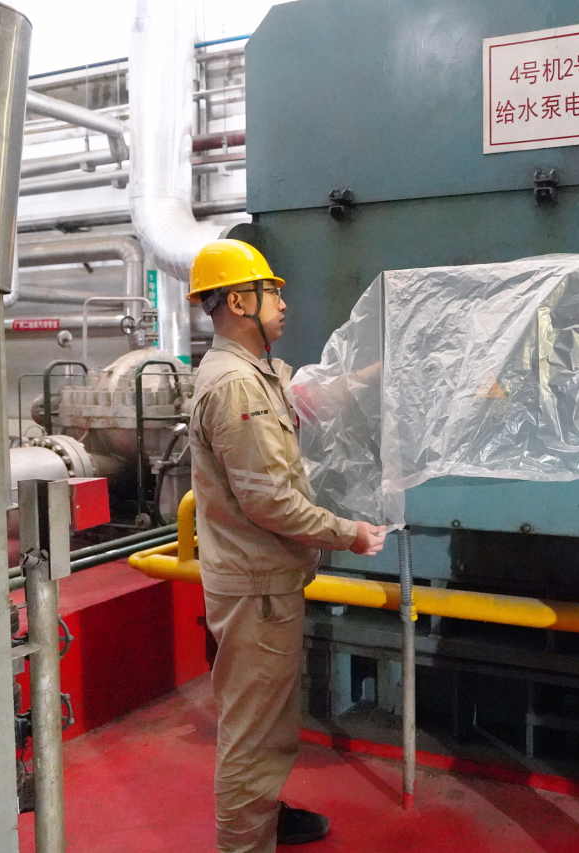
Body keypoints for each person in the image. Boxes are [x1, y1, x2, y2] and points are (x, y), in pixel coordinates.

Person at [186, 239, 386, 852]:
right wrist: (349, 534)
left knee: (268, 723)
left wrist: (379, 373)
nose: (283, 302)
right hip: (256, 589)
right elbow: (269, 502)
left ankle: (263, 816)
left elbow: (306, 400)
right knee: (254, 734)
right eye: (272, 291)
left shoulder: (257, 373)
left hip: (263, 582)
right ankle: (244, 843)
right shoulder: (236, 388)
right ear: (238, 301)